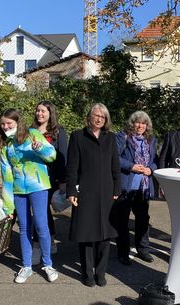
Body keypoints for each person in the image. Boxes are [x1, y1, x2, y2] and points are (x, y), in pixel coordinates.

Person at [0, 108, 58, 284]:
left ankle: (48, 264)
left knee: (41, 225)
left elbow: (52, 156)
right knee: (24, 227)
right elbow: (6, 179)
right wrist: (8, 207)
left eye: (9, 123)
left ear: (18, 123)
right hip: (18, 190)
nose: (6, 126)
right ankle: (26, 266)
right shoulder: (7, 147)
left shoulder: (33, 134)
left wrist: (40, 150)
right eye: (3, 124)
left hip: (38, 186)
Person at [66, 103, 120, 287]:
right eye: (96, 115)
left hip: (106, 192)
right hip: (86, 192)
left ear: (106, 120)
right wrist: (71, 190)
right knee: (86, 234)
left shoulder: (111, 138)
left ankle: (101, 272)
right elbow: (72, 167)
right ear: (89, 116)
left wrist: (117, 189)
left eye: (102, 117)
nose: (99, 119)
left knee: (105, 235)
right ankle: (88, 273)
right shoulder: (77, 136)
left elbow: (115, 166)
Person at [112, 110, 158, 266]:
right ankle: (123, 252)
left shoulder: (151, 140)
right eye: (138, 122)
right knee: (122, 221)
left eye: (144, 123)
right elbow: (114, 158)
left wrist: (150, 169)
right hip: (126, 185)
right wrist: (131, 166)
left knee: (143, 219)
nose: (140, 126)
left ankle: (143, 249)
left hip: (143, 187)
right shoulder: (122, 136)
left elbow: (154, 160)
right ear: (132, 123)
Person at [30, 101, 68, 264]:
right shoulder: (31, 132)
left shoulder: (59, 132)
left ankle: (39, 247)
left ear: (50, 113)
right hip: (34, 178)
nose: (40, 114)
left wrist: (63, 180)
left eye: (43, 111)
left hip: (52, 178)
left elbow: (62, 157)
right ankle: (45, 244)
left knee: (42, 214)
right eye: (38, 110)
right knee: (42, 213)